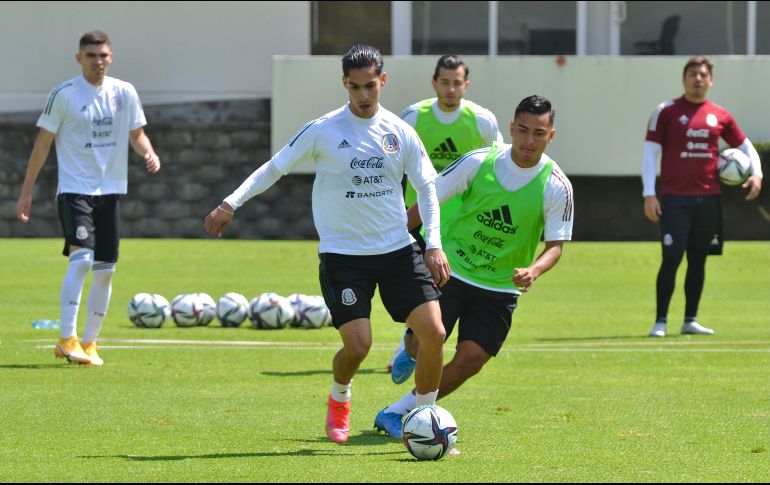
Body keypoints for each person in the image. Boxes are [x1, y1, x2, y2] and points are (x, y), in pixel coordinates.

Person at [203, 44, 450, 444]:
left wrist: (433, 244)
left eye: (371, 86)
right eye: (355, 88)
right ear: (344, 85)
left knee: (434, 334)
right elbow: (275, 167)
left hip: (397, 251)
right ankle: (340, 396)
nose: (364, 96)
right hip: (344, 258)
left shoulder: (400, 132)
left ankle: (424, 420)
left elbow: (427, 189)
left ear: (382, 81)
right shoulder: (323, 129)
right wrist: (230, 203)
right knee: (358, 347)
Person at [374, 95, 574, 437]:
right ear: (511, 129)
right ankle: (409, 349)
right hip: (451, 269)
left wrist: (535, 270)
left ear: (550, 136)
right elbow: (429, 197)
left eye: (538, 133)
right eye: (522, 131)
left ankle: (401, 412)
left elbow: (555, 246)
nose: (528, 141)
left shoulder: (556, 185)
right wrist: (392, 242)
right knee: (422, 343)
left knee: (471, 359)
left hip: (499, 285)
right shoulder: (479, 162)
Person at [15, 31, 161, 366]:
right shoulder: (63, 95)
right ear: (79, 58)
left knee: (106, 270)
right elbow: (42, 144)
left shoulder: (125, 93)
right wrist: (27, 191)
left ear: (112, 57)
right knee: (81, 260)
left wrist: (149, 153)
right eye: (92, 55)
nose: (99, 61)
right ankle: (67, 339)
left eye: (104, 55)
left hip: (110, 192)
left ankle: (90, 343)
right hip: (75, 190)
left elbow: (137, 134)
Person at [388, 54, 503, 383]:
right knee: (419, 285)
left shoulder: (482, 120)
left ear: (466, 85)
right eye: (445, 82)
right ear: (434, 83)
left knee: (442, 288)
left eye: (457, 83)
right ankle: (410, 342)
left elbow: (496, 164)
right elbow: (392, 164)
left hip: (460, 224)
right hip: (417, 217)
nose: (451, 88)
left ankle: (414, 344)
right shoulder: (413, 116)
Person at [643, 56, 763, 338]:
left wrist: (756, 174)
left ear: (711, 81)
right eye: (693, 74)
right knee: (672, 257)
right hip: (674, 199)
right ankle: (660, 321)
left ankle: (690, 320)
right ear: (684, 78)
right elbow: (650, 153)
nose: (698, 79)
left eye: (703, 75)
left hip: (709, 199)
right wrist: (649, 193)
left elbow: (746, 147)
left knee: (698, 259)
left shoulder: (720, 115)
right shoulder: (666, 111)